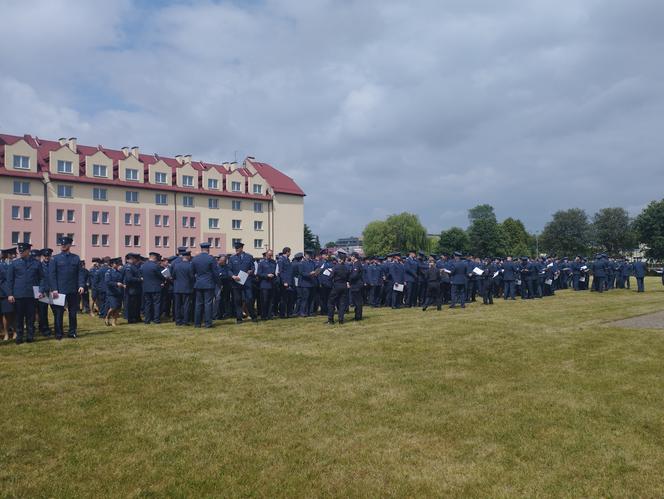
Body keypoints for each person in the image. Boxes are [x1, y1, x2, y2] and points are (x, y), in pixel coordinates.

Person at [48, 236, 85, 339]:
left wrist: (81, 285)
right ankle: (58, 333)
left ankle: (72, 332)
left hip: (73, 289)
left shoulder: (76, 258)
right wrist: (54, 288)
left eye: (65, 244)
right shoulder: (55, 258)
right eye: (62, 244)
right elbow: (52, 275)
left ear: (69, 245)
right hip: (58, 290)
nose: (63, 246)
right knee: (58, 313)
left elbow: (80, 273)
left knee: (73, 313)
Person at [7, 243, 44, 344]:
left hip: (31, 295)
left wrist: (41, 290)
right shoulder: (14, 264)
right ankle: (19, 336)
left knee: (30, 317)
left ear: (28, 251)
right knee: (19, 317)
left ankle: (30, 336)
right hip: (18, 294)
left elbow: (42, 278)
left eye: (23, 251)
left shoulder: (36, 263)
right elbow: (10, 280)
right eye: (20, 250)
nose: (20, 252)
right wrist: (10, 294)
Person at [192, 242, 218, 328]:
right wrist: (218, 283)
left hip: (198, 284)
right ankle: (207, 323)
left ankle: (197, 323)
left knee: (198, 304)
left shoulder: (195, 259)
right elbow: (215, 273)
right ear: (208, 249)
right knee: (208, 304)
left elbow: (192, 272)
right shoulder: (211, 258)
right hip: (208, 284)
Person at [141, 252, 165, 324]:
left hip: (146, 287)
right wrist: (164, 279)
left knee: (147, 304)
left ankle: (147, 319)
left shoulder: (143, 265)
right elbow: (160, 276)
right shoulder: (156, 266)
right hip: (155, 287)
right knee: (156, 304)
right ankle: (156, 319)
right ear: (154, 258)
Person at [326, 252, 350, 325]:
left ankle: (331, 319)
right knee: (342, 303)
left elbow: (330, 277)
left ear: (339, 259)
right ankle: (341, 319)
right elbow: (348, 278)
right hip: (344, 286)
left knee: (331, 303)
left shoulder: (336, 267)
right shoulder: (346, 267)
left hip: (336, 286)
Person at [172, 251, 194, 326]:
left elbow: (173, 276)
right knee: (186, 305)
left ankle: (178, 321)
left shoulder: (176, 265)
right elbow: (192, 277)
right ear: (188, 257)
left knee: (177, 305)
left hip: (177, 288)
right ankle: (185, 321)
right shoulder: (190, 266)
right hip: (187, 288)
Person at [257, 249, 277, 320]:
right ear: (266, 255)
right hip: (264, 284)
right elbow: (258, 274)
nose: (270, 256)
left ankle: (269, 315)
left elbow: (275, 272)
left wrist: (274, 275)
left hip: (272, 284)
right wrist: (267, 275)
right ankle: (263, 315)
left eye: (271, 255)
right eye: (269, 255)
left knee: (271, 301)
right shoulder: (261, 263)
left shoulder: (274, 262)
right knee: (264, 301)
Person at [104, 258, 125, 326]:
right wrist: (116, 284)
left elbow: (121, 280)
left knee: (118, 308)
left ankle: (114, 321)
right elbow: (107, 282)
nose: (117, 265)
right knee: (113, 307)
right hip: (112, 292)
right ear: (112, 264)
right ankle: (107, 317)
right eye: (116, 264)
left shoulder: (119, 272)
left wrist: (123, 285)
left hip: (119, 292)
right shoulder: (108, 272)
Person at [123, 254, 143, 323]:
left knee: (137, 304)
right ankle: (131, 319)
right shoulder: (128, 267)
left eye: (134, 259)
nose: (134, 260)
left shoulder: (134, 266)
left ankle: (137, 317)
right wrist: (139, 279)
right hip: (132, 289)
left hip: (136, 289)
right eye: (132, 259)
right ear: (128, 260)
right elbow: (129, 278)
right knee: (132, 305)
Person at [348, 252, 364, 321]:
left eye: (351, 256)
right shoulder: (354, 264)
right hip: (355, 284)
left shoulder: (357, 264)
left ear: (354, 256)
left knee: (358, 301)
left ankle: (358, 316)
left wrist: (348, 280)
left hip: (356, 284)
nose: (350, 258)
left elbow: (355, 275)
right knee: (357, 301)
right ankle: (357, 315)